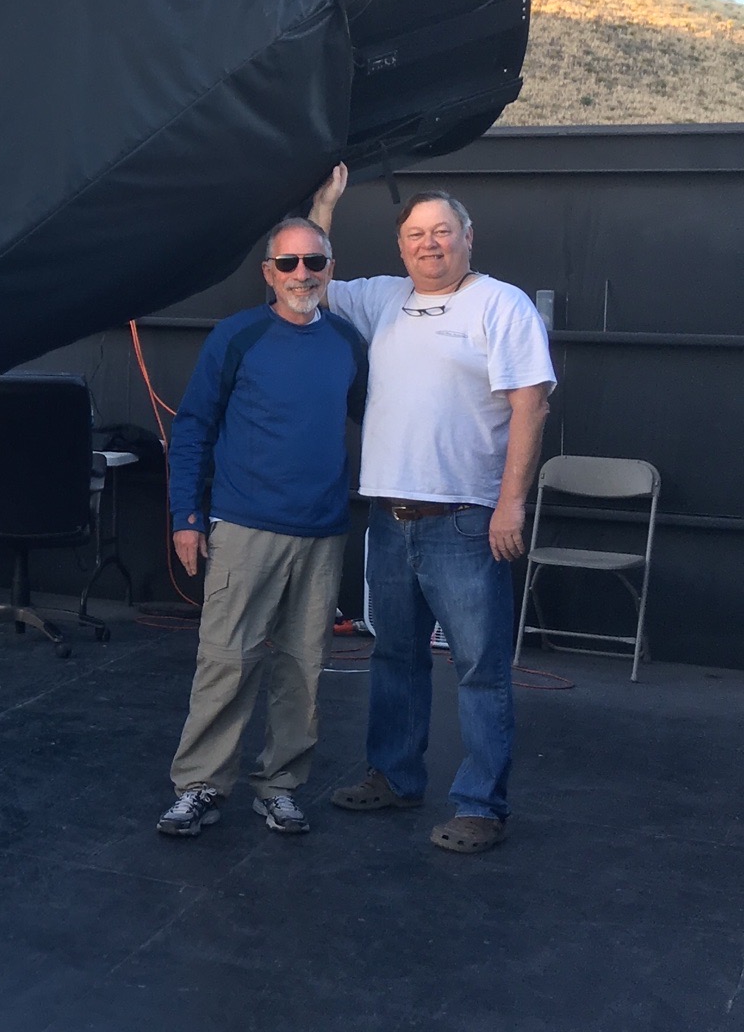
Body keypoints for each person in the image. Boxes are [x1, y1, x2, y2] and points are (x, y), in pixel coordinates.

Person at [308, 166, 553, 855]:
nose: (430, 244)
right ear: (401, 247)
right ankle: (393, 776)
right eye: (416, 235)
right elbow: (316, 282)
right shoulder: (384, 298)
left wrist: (511, 504)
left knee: (478, 666)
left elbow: (531, 406)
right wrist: (325, 206)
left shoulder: (501, 306)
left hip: (467, 521)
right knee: (395, 655)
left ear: (468, 239)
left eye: (442, 232)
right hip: (390, 516)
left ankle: (480, 806)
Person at [156, 217, 366, 840]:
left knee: (303, 668)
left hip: (323, 531)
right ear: (268, 273)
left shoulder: (349, 344)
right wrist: (186, 518)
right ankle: (199, 786)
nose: (302, 273)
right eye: (289, 263)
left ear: (330, 268)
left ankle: (280, 786)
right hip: (245, 527)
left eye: (315, 262)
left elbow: (375, 421)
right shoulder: (237, 337)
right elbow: (192, 427)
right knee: (226, 661)